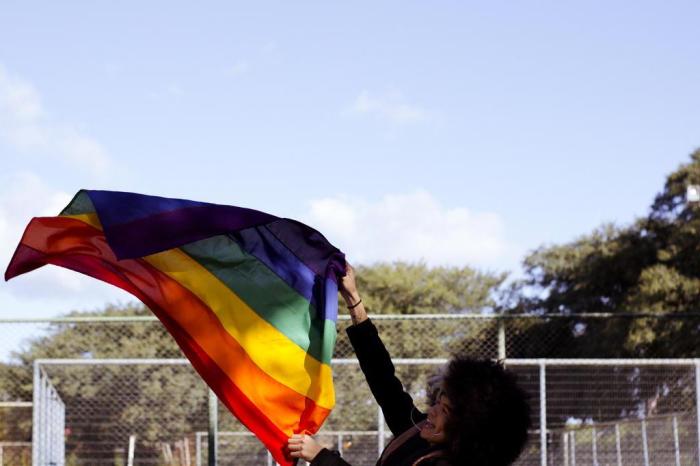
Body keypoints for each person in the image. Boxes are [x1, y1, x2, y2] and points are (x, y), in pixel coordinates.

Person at [288, 265, 531, 466]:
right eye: (439, 402)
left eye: (445, 410)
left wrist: (321, 457)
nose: (432, 410)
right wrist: (353, 300)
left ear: (469, 431)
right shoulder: (421, 434)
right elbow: (384, 382)